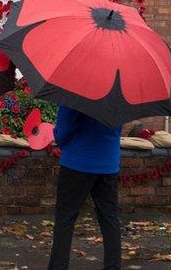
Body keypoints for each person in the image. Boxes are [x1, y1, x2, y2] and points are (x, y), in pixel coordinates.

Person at [48, 104, 122, 270]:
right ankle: (113, 266)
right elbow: (117, 129)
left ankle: (58, 266)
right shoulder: (118, 95)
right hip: (108, 162)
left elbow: (63, 133)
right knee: (110, 219)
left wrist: (55, 133)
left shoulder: (74, 93)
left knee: (65, 219)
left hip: (77, 162)